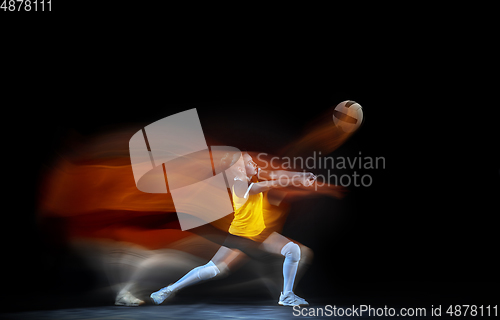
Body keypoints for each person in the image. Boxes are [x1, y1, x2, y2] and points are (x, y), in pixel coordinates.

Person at [149, 152, 317, 307]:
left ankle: (286, 296)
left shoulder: (252, 178)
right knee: (214, 269)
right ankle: (168, 290)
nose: (255, 164)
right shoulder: (240, 185)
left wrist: (300, 176)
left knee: (293, 250)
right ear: (239, 168)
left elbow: (277, 175)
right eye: (250, 162)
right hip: (241, 236)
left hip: (258, 234)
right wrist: (294, 180)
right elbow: (269, 184)